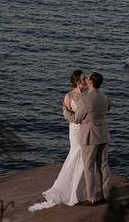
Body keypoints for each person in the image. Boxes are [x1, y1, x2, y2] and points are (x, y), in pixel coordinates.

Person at [29, 69, 89, 211]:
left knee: (84, 157)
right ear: (76, 80)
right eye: (82, 78)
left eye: (85, 78)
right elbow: (67, 114)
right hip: (75, 130)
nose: (85, 80)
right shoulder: (69, 96)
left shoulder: (88, 94)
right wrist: (79, 120)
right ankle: (69, 190)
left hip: (87, 129)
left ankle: (81, 190)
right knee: (76, 153)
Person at [68, 72, 111, 207]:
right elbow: (109, 108)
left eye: (87, 79)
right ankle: (107, 195)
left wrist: (65, 112)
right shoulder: (104, 96)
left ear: (91, 83)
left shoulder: (85, 99)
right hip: (103, 133)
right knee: (103, 166)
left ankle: (91, 198)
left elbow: (76, 119)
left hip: (90, 136)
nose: (85, 80)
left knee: (88, 167)